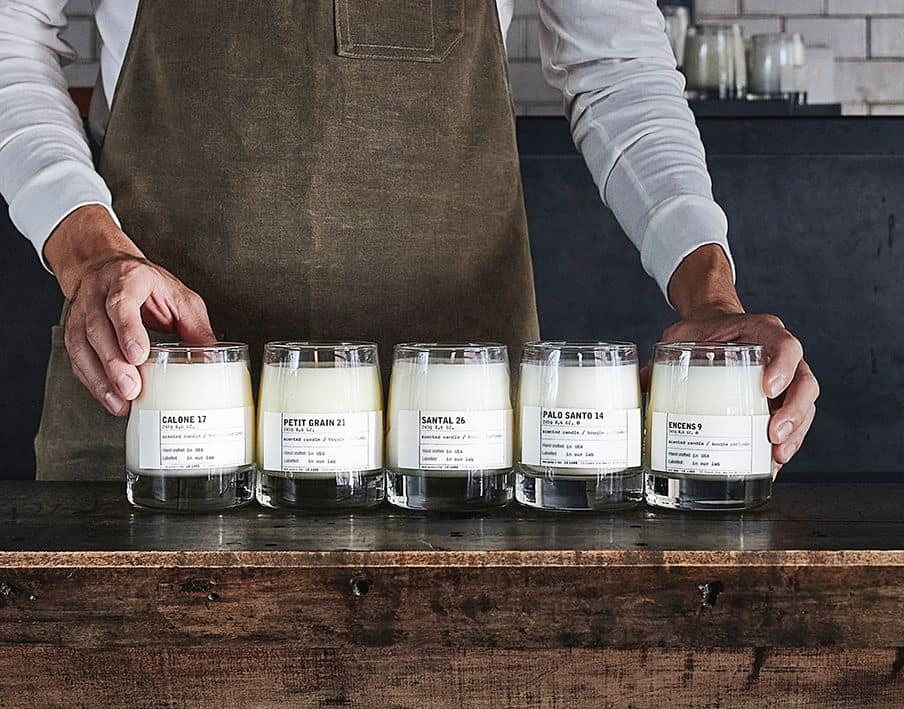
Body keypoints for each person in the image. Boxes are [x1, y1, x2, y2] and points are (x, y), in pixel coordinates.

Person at [0, 0, 818, 481]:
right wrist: (91, 252)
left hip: (456, 422)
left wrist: (709, 295)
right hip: (157, 392)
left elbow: (620, 76)